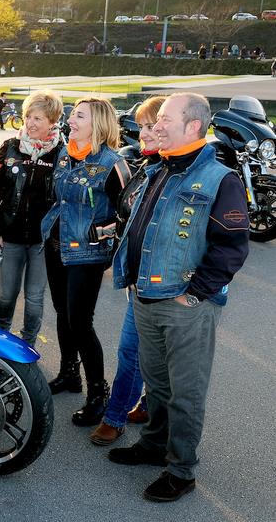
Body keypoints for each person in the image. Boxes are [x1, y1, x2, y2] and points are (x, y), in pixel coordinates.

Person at [109, 93, 250, 502]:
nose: (154, 127)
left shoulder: (220, 179)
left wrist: (195, 295)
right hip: (146, 297)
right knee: (156, 384)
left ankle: (182, 470)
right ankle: (154, 446)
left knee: (185, 393)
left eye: (165, 119)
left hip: (186, 305)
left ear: (192, 126)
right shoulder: (159, 168)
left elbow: (232, 247)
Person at [40, 97, 131, 426]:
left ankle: (97, 393)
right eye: (72, 115)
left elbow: (128, 214)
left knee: (80, 322)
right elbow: (58, 198)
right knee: (64, 316)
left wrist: (104, 236)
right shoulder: (66, 153)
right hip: (56, 248)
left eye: (79, 116)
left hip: (86, 255)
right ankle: (69, 374)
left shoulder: (113, 163)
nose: (71, 120)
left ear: (99, 123)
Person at [88, 95, 165, 446]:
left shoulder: (179, 171)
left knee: (137, 352)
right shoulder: (147, 167)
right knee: (141, 352)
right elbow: (128, 217)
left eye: (152, 125)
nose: (144, 132)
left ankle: (116, 416)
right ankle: (142, 406)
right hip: (139, 278)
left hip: (164, 284)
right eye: (142, 126)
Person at [0, 91, 63, 347]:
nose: (30, 123)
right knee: (6, 295)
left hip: (42, 241)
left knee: (35, 297)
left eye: (38, 118)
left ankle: (28, 345)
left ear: (52, 121)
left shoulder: (62, 153)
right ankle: (1, 341)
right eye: (28, 116)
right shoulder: (9, 147)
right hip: (11, 237)